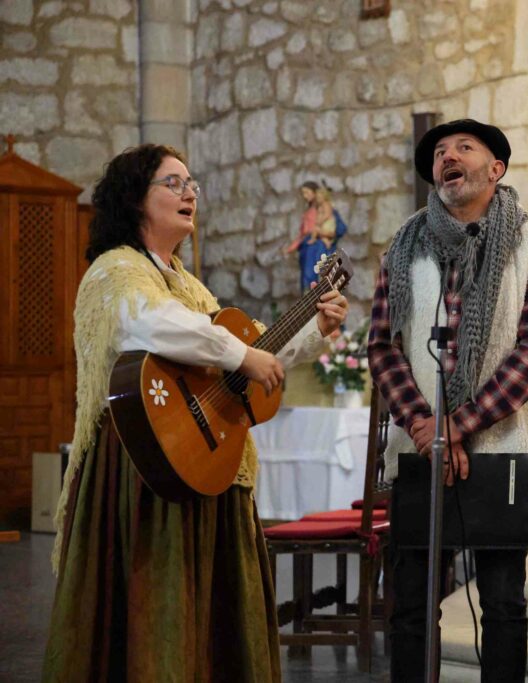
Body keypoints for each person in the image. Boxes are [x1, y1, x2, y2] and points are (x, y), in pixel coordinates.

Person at [43, 144, 348, 681]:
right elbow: (156, 324)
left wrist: (313, 329)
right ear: (137, 199)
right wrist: (242, 354)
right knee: (151, 612)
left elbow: (250, 351)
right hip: (140, 472)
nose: (189, 194)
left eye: (192, 185)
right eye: (173, 183)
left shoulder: (190, 284)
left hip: (205, 464)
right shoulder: (115, 271)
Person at [367, 119, 528, 682]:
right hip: (419, 453)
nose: (447, 157)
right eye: (439, 153)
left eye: (463, 148)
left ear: (495, 170)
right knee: (410, 606)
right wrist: (426, 426)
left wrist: (459, 424)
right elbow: (383, 345)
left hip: (501, 450)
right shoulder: (403, 248)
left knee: (502, 604)